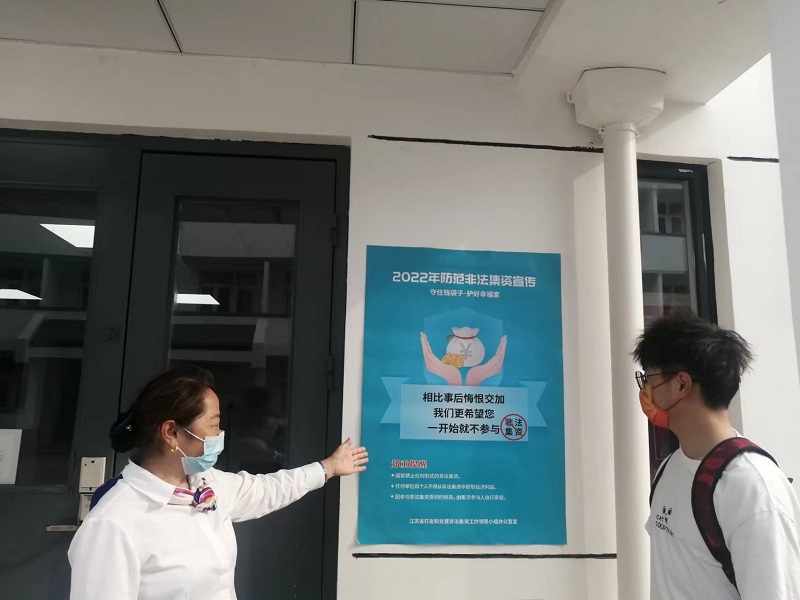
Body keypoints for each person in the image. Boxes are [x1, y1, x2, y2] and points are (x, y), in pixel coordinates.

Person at [68, 367, 368, 599]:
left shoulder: (205, 484)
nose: (219, 434)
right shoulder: (114, 523)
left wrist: (328, 468)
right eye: (214, 425)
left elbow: (267, 490)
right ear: (171, 433)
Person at [633, 311, 800, 599]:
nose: (645, 391)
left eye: (649, 379)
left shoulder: (752, 488)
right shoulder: (669, 469)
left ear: (682, 384)